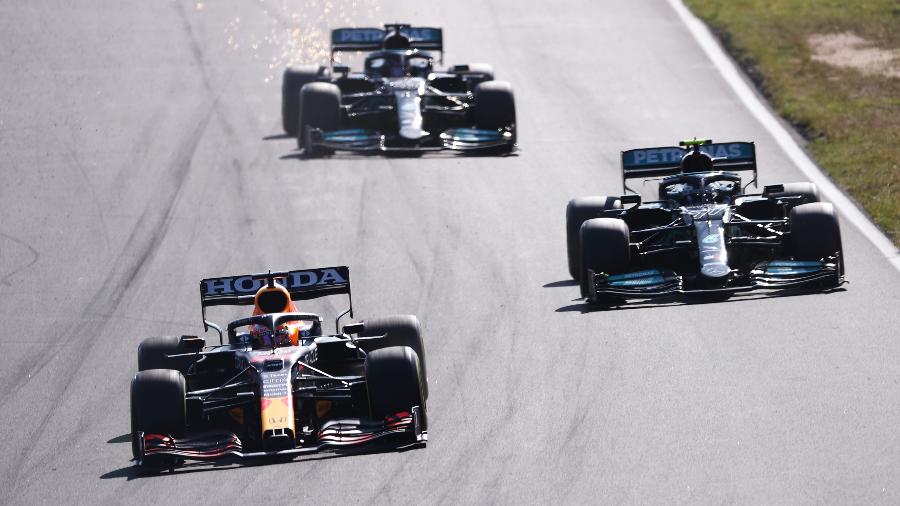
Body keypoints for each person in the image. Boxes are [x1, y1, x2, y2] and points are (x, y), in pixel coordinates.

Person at [249, 282, 316, 347]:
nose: (272, 302)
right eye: (268, 301)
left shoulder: (296, 329)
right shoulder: (255, 331)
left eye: (276, 299)